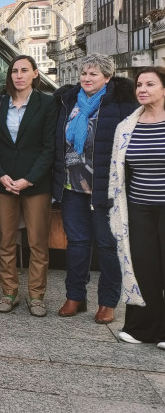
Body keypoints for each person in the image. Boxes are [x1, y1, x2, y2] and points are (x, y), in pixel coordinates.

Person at [53, 53, 137, 323]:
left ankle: (108, 302)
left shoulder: (122, 104)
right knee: (76, 244)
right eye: (84, 74)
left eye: (94, 74)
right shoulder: (67, 101)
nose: (87, 79)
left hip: (106, 189)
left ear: (107, 77)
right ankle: (75, 296)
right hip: (72, 186)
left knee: (107, 245)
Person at [0, 55, 56, 317]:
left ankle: (37, 296)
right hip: (4, 181)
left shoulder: (47, 103)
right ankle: (9, 292)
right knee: (5, 240)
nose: (18, 75)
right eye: (14, 70)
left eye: (24, 70)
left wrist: (29, 179)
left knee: (37, 242)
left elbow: (50, 148)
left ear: (35, 74)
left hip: (35, 183)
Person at [109, 67, 165, 346]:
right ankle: (143, 328)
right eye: (139, 84)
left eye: (150, 84)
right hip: (138, 206)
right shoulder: (127, 126)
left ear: (164, 90)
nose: (142, 89)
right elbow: (119, 173)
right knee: (142, 265)